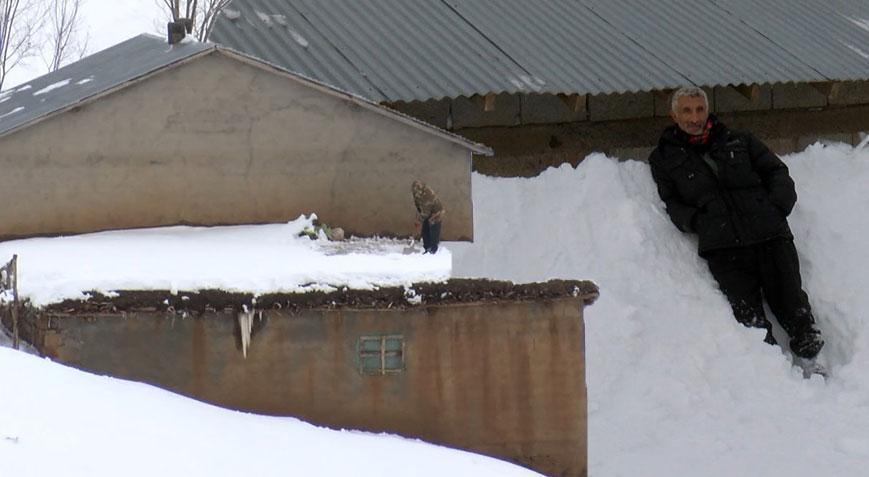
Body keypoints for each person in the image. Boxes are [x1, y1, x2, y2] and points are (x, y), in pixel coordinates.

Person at [648, 86, 824, 366]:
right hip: (724, 247)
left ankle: (814, 363)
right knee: (749, 316)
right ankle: (774, 374)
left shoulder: (739, 140)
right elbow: (671, 201)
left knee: (792, 303)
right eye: (687, 111)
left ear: (707, 111)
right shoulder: (664, 159)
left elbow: (775, 172)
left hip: (770, 235)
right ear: (674, 115)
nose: (694, 117)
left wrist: (776, 208)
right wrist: (698, 222)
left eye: (699, 109)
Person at [411, 180, 445, 254]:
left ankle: (433, 250)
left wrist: (419, 221)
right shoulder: (417, 193)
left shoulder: (427, 196)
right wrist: (418, 214)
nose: (416, 193)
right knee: (425, 230)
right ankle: (427, 248)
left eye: (417, 191)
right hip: (427, 212)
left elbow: (426, 213)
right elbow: (419, 205)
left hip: (436, 213)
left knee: (433, 230)